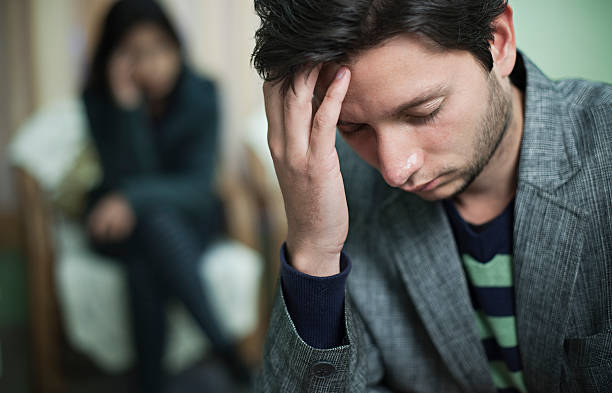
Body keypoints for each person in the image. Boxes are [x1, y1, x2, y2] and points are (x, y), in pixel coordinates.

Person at [251, 0, 612, 392]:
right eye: (353, 128)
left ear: (499, 42)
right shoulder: (337, 190)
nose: (394, 169)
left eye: (424, 112)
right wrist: (314, 250)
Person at [82, 1, 247, 392]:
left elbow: (196, 186)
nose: (152, 63)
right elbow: (123, 176)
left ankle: (150, 382)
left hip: (188, 218)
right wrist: (127, 110)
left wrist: (132, 200)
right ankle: (225, 350)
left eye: (159, 48)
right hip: (118, 224)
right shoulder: (100, 101)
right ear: (115, 58)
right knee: (150, 231)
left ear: (176, 46)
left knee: (148, 247)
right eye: (135, 53)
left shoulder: (203, 93)